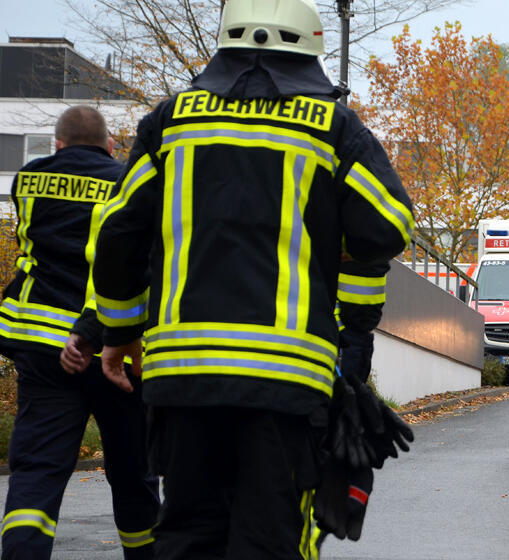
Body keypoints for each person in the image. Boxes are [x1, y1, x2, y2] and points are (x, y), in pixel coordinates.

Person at [89, 0, 414, 557]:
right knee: (267, 536)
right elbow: (388, 224)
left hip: (182, 375)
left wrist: (117, 335)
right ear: (309, 51)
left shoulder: (169, 122)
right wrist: (351, 315)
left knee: (187, 532)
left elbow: (117, 234)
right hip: (284, 383)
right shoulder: (333, 127)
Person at [0, 106, 159, 559]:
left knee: (36, 472)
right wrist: (92, 330)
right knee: (133, 473)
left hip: (45, 347)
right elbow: (129, 260)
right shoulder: (127, 180)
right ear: (111, 147)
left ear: (58, 145)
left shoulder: (28, 180)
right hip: (118, 344)